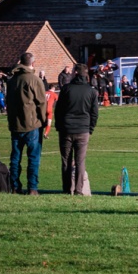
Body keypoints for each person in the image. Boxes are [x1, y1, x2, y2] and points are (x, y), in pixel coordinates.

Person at [6, 52, 47, 196]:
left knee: (15, 158)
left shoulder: (12, 80)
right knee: (33, 157)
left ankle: (14, 186)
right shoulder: (34, 80)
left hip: (15, 123)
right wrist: (43, 121)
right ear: (33, 63)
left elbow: (8, 102)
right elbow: (42, 103)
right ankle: (32, 187)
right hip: (31, 124)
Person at [54, 64, 98, 195]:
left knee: (66, 160)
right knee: (80, 161)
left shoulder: (67, 89)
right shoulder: (91, 91)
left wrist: (59, 126)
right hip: (83, 129)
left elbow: (59, 110)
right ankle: (78, 189)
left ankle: (67, 189)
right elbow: (94, 113)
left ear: (76, 73)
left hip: (67, 128)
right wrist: (90, 128)